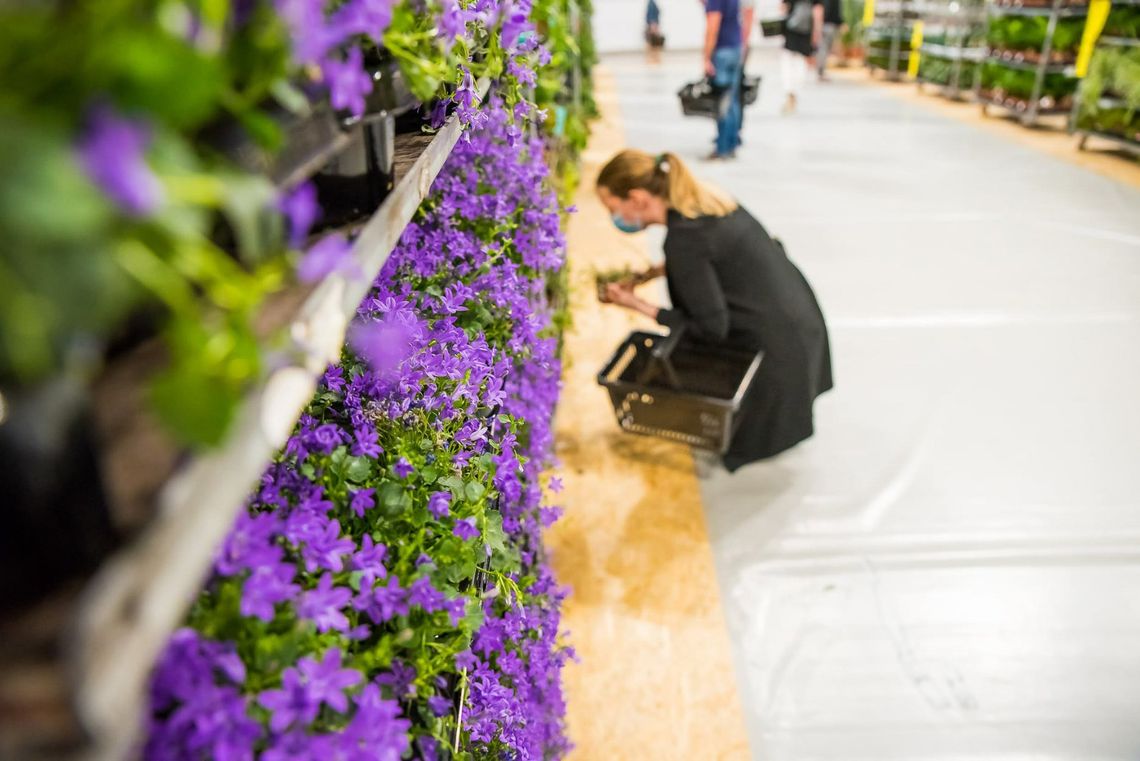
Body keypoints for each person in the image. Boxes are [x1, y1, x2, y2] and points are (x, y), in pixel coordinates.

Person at [596, 149, 834, 472]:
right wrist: (649, 275)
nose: (615, 218)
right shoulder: (706, 201)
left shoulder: (683, 242)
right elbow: (712, 258)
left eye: (613, 209)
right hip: (800, 323)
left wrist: (634, 303)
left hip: (775, 357)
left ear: (637, 198)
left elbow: (709, 328)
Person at [702, 0, 743, 159]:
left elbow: (713, 25)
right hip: (735, 48)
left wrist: (706, 57)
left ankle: (723, 148)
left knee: (722, 101)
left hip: (722, 52)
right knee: (732, 100)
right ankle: (732, 144)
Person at [780, 0, 823, 113]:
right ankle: (794, 92)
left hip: (791, 29)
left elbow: (783, 7)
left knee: (788, 60)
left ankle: (789, 90)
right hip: (806, 30)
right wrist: (816, 32)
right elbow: (817, 11)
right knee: (801, 61)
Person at [816, 0, 844, 80]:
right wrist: (840, 23)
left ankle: (821, 70)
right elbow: (835, 12)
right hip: (829, 25)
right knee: (824, 48)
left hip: (824, 24)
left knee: (823, 48)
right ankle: (821, 71)